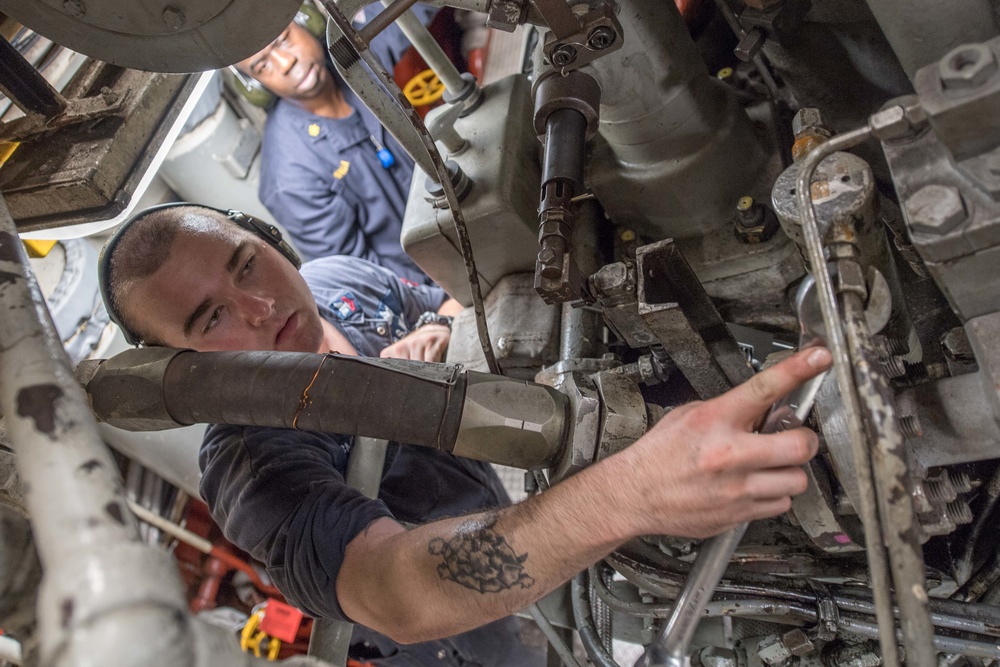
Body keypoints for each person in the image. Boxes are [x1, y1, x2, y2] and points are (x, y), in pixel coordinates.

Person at [100, 204, 831, 656]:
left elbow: (452, 307)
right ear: (183, 364)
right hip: (484, 633)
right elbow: (397, 591)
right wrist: (631, 494)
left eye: (245, 264)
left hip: (553, 517)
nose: (260, 306)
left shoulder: (333, 281)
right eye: (213, 317)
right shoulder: (250, 465)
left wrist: (433, 329)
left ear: (266, 239)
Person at [237, 14, 434, 284]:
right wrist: (440, 294)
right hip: (434, 278)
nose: (286, 63)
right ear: (256, 85)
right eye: (262, 66)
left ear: (307, 23)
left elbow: (415, 15)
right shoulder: (289, 180)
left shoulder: (359, 54)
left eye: (283, 40)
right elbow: (361, 271)